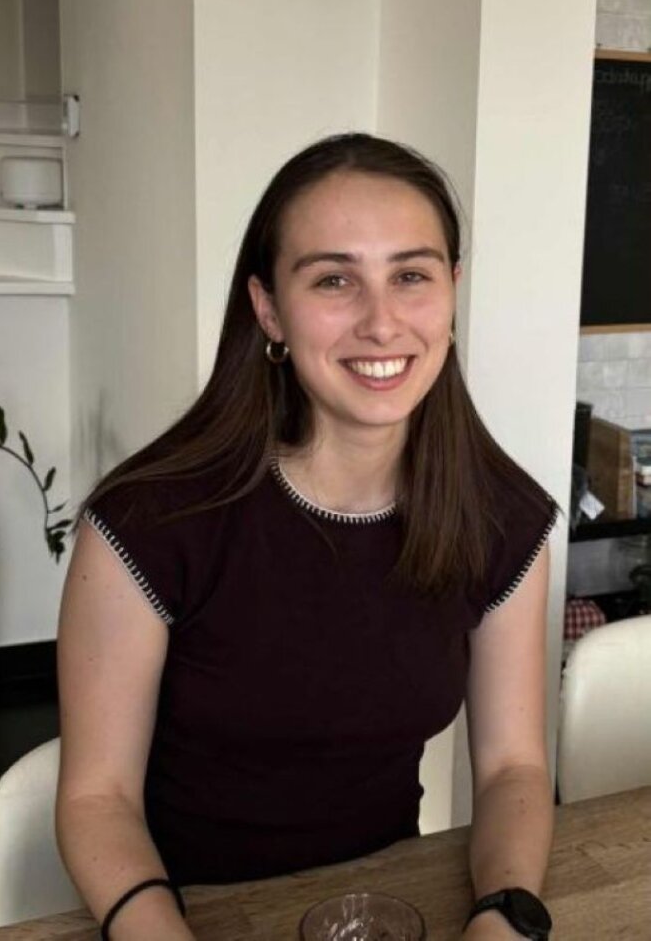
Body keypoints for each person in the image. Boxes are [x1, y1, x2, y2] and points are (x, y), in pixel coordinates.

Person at [56, 133, 558, 941]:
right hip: (185, 913)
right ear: (268, 309)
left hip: (385, 910)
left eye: (411, 275)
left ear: (452, 292)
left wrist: (504, 919)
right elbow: (96, 798)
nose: (382, 322)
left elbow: (512, 768)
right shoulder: (148, 524)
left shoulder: (501, 519)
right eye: (334, 279)